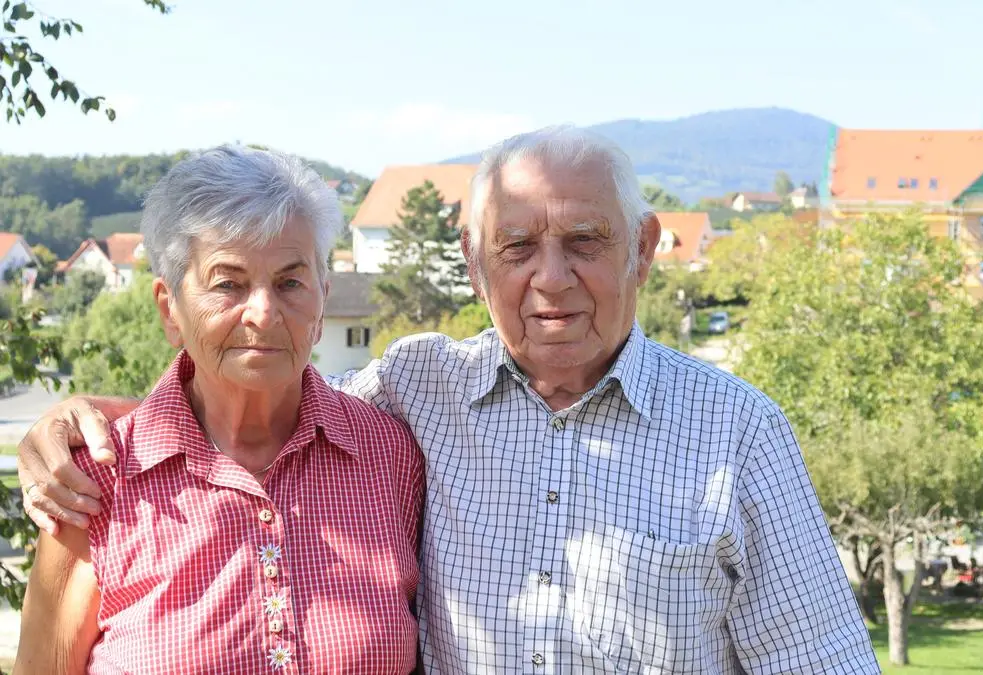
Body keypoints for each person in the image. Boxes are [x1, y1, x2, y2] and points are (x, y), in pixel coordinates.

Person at [19, 127, 880, 673]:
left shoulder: (737, 433)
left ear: (643, 250)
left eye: (585, 240)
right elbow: (250, 392)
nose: (551, 278)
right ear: (474, 262)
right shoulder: (417, 395)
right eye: (518, 246)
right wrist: (78, 418)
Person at [14, 146, 424, 673]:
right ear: (170, 309)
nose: (264, 313)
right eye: (228, 283)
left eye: (290, 282)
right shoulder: (93, 483)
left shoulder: (390, 456)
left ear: (322, 300)